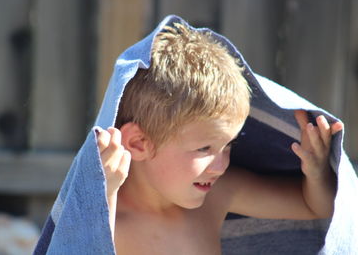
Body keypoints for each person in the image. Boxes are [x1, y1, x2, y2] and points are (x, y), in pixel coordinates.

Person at [96, 22, 343, 254]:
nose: (221, 165)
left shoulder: (218, 194)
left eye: (228, 146)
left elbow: (316, 207)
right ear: (139, 143)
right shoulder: (107, 220)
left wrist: (316, 171)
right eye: (204, 148)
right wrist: (104, 195)